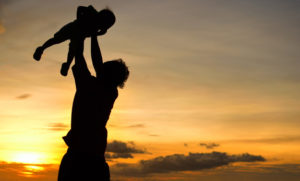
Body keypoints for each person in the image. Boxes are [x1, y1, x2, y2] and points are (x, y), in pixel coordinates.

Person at [57, 35, 129, 181]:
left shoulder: (88, 84)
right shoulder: (110, 92)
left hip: (79, 159)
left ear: (107, 74)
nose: (100, 67)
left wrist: (84, 35)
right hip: (94, 159)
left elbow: (84, 57)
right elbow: (96, 62)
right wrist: (92, 35)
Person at [33, 5, 116, 76]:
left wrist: (97, 32)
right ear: (101, 17)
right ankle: (41, 49)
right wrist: (79, 19)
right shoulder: (93, 13)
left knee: (74, 52)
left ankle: (67, 65)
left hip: (80, 37)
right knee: (57, 39)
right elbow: (80, 8)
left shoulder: (99, 28)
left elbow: (100, 33)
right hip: (73, 28)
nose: (105, 27)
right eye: (106, 24)